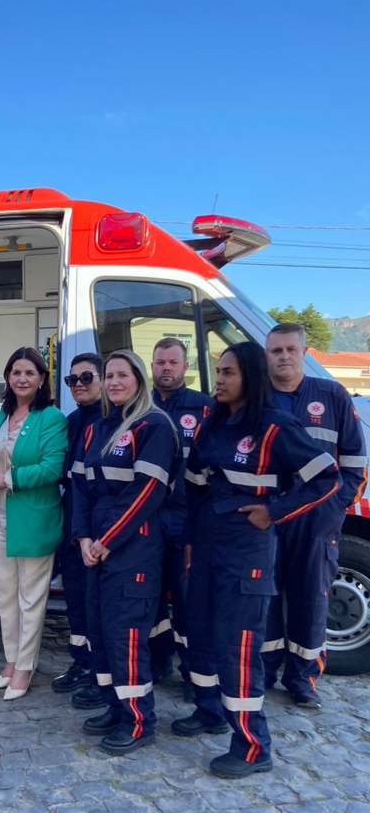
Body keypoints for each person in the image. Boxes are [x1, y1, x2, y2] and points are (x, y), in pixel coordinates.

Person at [173, 342, 342, 778]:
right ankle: (209, 710)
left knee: (238, 643)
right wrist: (191, 542)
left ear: (250, 375)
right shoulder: (213, 425)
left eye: (228, 372)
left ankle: (252, 746)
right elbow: (193, 487)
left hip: (248, 550)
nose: (220, 380)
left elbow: (326, 477)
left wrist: (275, 511)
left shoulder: (275, 427)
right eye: (217, 371)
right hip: (209, 545)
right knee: (201, 633)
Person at [72, 350, 182, 755]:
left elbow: (147, 493)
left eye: (123, 375)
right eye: (109, 375)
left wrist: (107, 540)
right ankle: (114, 707)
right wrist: (83, 538)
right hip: (96, 548)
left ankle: (139, 721)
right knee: (100, 633)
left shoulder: (154, 425)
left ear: (139, 378)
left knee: (126, 637)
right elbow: (81, 488)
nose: (115, 382)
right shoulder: (97, 428)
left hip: (133, 548)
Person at [263, 323, 367, 707]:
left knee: (311, 599)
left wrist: (336, 507)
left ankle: (303, 678)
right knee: (266, 597)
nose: (284, 357)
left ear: (305, 353)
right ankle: (264, 666)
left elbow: (356, 461)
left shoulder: (332, 395)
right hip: (269, 516)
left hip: (317, 521)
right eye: (276, 351)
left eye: (291, 349)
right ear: (266, 356)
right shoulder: (257, 397)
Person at [0, 347, 68, 700]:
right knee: (5, 595)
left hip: (33, 517)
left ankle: (26, 666)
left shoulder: (51, 417)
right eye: (16, 372)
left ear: (42, 379)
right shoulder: (4, 414)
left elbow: (51, 469)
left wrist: (7, 479)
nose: (21, 378)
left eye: (29, 373)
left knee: (30, 597)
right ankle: (12, 659)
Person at [148, 338, 213, 688]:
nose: (166, 368)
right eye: (160, 362)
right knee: (152, 597)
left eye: (173, 362)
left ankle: (195, 673)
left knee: (189, 600)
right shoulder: (139, 406)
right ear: (152, 366)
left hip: (189, 520)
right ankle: (160, 661)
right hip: (149, 518)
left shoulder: (206, 408)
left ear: (185, 366)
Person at [51, 353, 103, 701]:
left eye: (87, 377)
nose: (79, 384)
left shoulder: (114, 421)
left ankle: (101, 670)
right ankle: (81, 662)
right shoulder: (70, 421)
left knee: (98, 601)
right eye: (72, 380)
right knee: (76, 602)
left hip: (102, 526)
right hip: (72, 522)